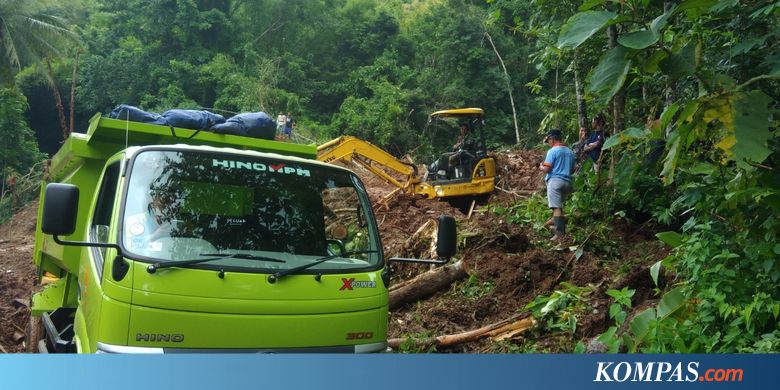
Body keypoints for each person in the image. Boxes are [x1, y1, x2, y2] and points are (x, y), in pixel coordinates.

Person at [539, 129, 576, 242]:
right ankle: (553, 225)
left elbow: (547, 169)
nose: (549, 143)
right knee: (559, 207)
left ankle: (559, 234)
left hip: (555, 182)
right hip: (568, 183)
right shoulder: (570, 152)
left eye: (549, 140)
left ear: (553, 139)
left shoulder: (552, 151)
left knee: (556, 208)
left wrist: (540, 166)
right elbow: (573, 170)